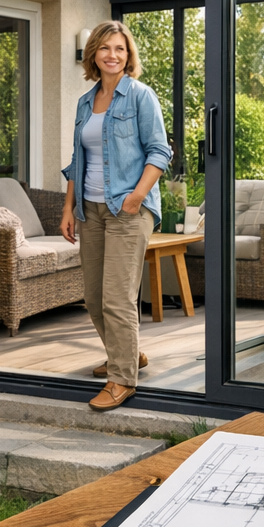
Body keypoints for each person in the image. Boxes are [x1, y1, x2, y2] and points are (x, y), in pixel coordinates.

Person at [60, 21, 172, 411]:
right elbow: (78, 159)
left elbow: (160, 151)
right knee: (93, 298)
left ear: (128, 56)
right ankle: (128, 353)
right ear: (94, 54)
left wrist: (137, 196)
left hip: (128, 209)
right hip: (89, 210)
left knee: (118, 298)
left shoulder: (141, 97)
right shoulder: (84, 102)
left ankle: (122, 378)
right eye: (105, 48)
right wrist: (68, 208)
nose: (113, 55)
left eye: (120, 49)